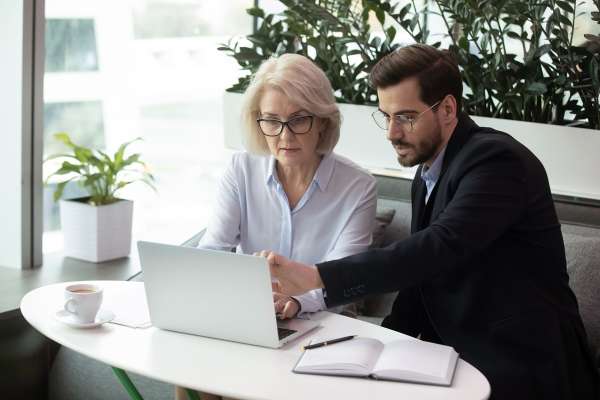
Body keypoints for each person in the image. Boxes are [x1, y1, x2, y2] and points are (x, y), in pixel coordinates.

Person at [266, 44, 600, 400]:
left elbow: (437, 247)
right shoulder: (428, 173)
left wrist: (316, 276)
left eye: (406, 117)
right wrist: (376, 348)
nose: (391, 133)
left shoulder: (498, 161)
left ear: (448, 109)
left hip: (524, 365)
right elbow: (421, 281)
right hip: (457, 358)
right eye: (386, 116)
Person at [175, 53, 377, 400]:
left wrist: (297, 303)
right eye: (271, 120)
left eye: (298, 120)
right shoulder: (241, 168)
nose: (284, 135)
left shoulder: (358, 187)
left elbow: (344, 279)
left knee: (252, 380)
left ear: (322, 123)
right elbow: (213, 251)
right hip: (247, 316)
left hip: (321, 324)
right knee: (191, 367)